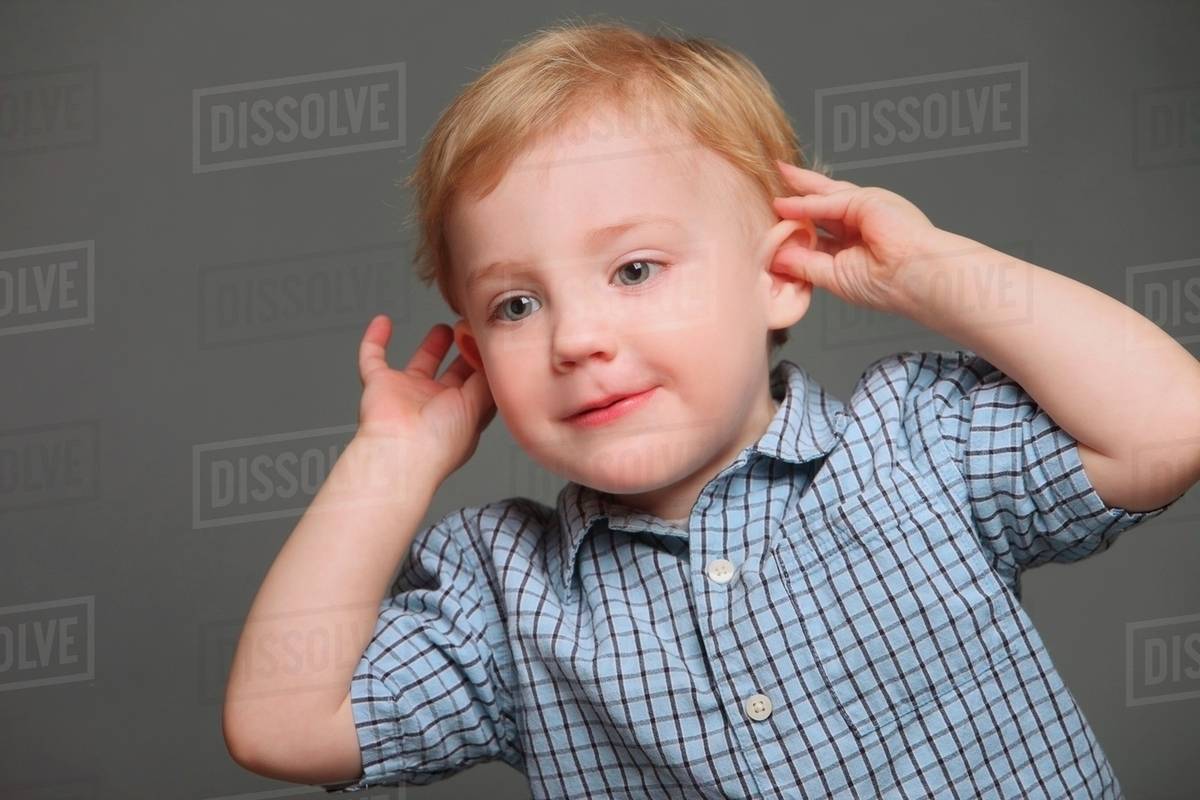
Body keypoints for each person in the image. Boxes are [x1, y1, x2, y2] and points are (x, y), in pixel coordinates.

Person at [220, 17, 1200, 799]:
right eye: (517, 303)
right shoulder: (508, 593)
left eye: (634, 267)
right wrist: (392, 457)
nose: (573, 338)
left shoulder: (916, 446)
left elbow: (1170, 424)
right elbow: (281, 723)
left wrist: (931, 271)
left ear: (779, 273)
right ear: (477, 350)